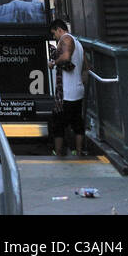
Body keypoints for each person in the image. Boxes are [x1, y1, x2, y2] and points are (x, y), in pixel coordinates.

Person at [49, 18, 87, 157]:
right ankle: (79, 151)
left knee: (58, 125)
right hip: (77, 90)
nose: (55, 37)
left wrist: (53, 62)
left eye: (54, 34)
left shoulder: (66, 39)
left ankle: (58, 153)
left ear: (60, 30)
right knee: (77, 123)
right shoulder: (79, 43)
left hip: (66, 93)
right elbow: (86, 67)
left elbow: (65, 57)